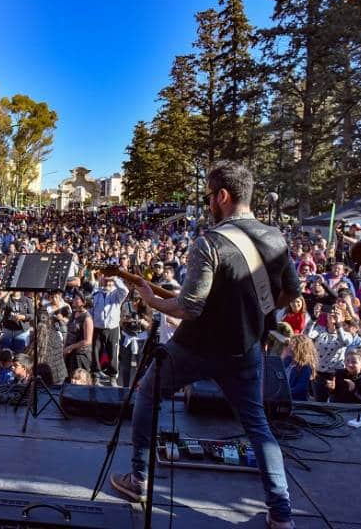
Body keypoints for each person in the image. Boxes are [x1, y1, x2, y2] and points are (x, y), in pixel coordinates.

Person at [110, 163, 298, 529]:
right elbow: (291, 292)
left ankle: (139, 480)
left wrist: (152, 300)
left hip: (195, 348)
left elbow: (188, 307)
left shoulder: (209, 242)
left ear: (223, 196)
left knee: (148, 394)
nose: (209, 203)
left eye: (210, 197)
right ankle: (281, 515)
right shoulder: (276, 238)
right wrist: (256, 313)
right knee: (257, 425)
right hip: (244, 350)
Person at [281, 334, 317, 401]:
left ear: (299, 348)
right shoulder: (287, 360)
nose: (288, 347)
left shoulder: (305, 367)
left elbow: (301, 388)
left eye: (291, 345)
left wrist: (284, 393)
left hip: (296, 402)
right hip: (283, 399)